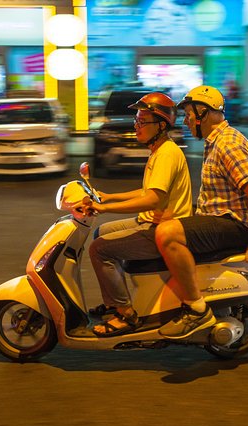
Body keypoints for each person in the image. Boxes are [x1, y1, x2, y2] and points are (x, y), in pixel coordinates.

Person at [155, 85, 248, 340]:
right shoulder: (215, 142)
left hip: (234, 226)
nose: (185, 121)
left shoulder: (228, 144)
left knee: (167, 234)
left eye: (188, 115)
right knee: (164, 224)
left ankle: (196, 309)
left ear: (203, 113)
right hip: (221, 219)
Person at [85, 92, 192, 337]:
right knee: (102, 232)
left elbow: (153, 199)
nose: (136, 126)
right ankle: (115, 300)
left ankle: (125, 314)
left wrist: (104, 208)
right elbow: (147, 191)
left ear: (162, 125)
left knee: (100, 249)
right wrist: (108, 196)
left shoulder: (166, 154)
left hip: (163, 229)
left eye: (142, 122)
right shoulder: (160, 150)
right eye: (136, 121)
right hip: (151, 221)